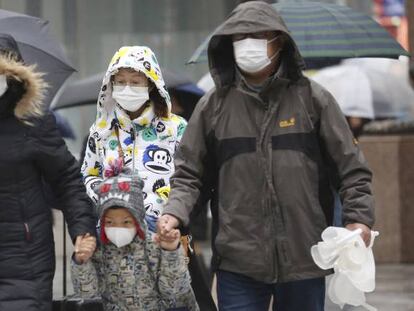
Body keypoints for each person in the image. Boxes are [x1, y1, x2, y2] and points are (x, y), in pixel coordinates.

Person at [157, 2, 375, 311]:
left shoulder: (313, 100)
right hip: (238, 261)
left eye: (258, 35)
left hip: (305, 257)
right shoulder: (213, 107)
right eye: (240, 36)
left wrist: (359, 220)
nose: (248, 43)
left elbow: (351, 169)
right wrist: (174, 212)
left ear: (279, 41)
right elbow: (189, 172)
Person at [0, 34, 96, 311]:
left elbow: (67, 179)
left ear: (15, 76)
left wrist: (82, 229)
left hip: (26, 261)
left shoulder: (33, 124)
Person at [71, 171, 198, 310]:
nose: (117, 228)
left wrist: (170, 250)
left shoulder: (154, 243)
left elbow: (175, 291)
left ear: (137, 220)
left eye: (126, 222)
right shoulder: (98, 249)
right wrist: (81, 261)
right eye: (109, 222)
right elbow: (88, 293)